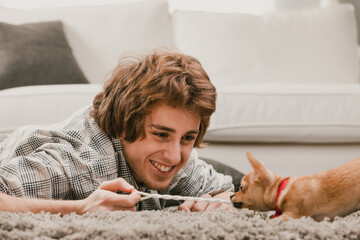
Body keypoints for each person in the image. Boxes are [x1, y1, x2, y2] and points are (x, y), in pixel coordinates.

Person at [0, 48, 234, 215]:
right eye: (161, 135)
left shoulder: (177, 157)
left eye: (187, 138)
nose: (174, 156)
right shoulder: (78, 162)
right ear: (124, 124)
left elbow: (224, 191)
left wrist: (220, 202)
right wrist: (80, 209)